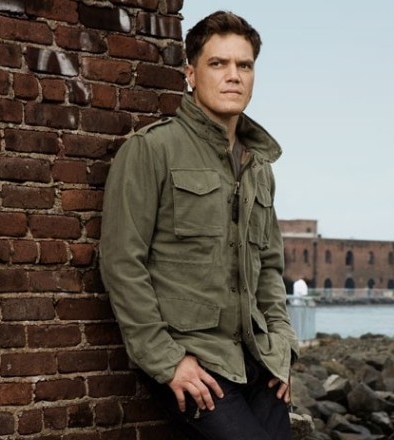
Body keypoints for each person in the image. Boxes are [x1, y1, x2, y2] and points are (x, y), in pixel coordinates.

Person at [99, 10, 299, 440]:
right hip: (196, 361)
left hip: (259, 359)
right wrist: (166, 361)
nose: (233, 76)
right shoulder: (152, 150)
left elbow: (270, 268)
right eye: (218, 63)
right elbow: (122, 263)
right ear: (190, 73)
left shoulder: (259, 167)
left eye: (244, 65)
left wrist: (283, 346)